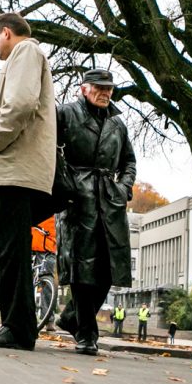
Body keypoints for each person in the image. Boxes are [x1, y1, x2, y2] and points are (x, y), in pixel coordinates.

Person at [0, 12, 56, 351]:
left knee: (9, 250)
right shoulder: (21, 58)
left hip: (13, 168)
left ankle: (19, 327)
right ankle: (13, 323)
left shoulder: (26, 52)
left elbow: (20, 104)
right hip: (6, 170)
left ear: (5, 33)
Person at [54, 68, 137, 356]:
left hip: (110, 201)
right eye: (99, 87)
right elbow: (49, 147)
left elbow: (129, 161)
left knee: (107, 269)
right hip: (77, 196)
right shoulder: (65, 114)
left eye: (109, 88)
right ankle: (87, 333)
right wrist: (63, 183)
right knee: (81, 266)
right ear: (83, 88)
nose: (105, 92)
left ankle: (70, 318)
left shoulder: (118, 124)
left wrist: (123, 188)